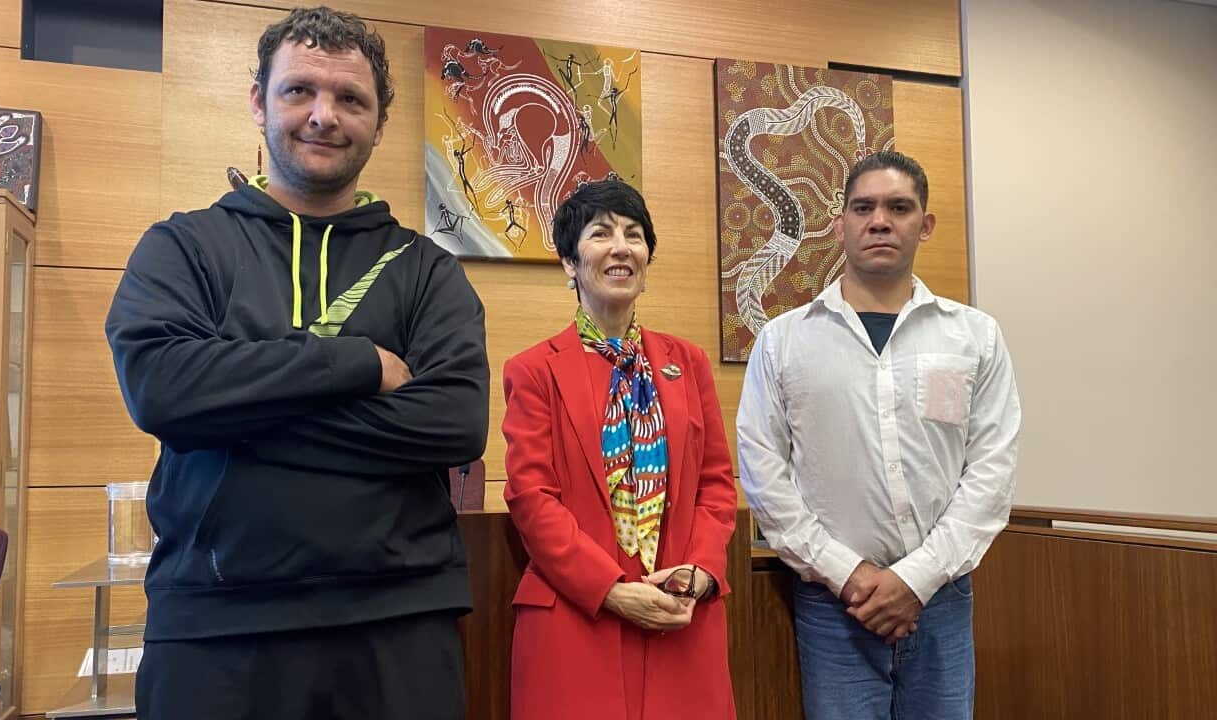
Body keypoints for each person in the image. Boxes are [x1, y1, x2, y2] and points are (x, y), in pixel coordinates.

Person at [104, 7, 489, 719]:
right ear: (258, 100)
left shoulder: (427, 270)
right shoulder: (182, 248)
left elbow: (453, 423)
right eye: (298, 91)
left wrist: (231, 414)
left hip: (399, 621)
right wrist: (360, 367)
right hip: (213, 626)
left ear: (380, 120)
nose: (324, 116)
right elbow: (161, 390)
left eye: (350, 99)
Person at [737, 150, 1021, 719]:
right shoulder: (784, 341)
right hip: (831, 603)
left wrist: (915, 579)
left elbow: (991, 471)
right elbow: (764, 474)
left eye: (899, 207)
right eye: (863, 207)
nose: (880, 221)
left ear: (925, 223)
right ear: (839, 223)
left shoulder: (974, 336)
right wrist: (849, 575)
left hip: (940, 598)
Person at [501, 180, 738, 719]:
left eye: (634, 235)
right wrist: (609, 588)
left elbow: (716, 483)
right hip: (577, 618)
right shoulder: (535, 370)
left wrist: (701, 572)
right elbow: (532, 498)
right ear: (569, 261)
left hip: (680, 614)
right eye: (601, 233)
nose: (621, 247)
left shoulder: (689, 363)